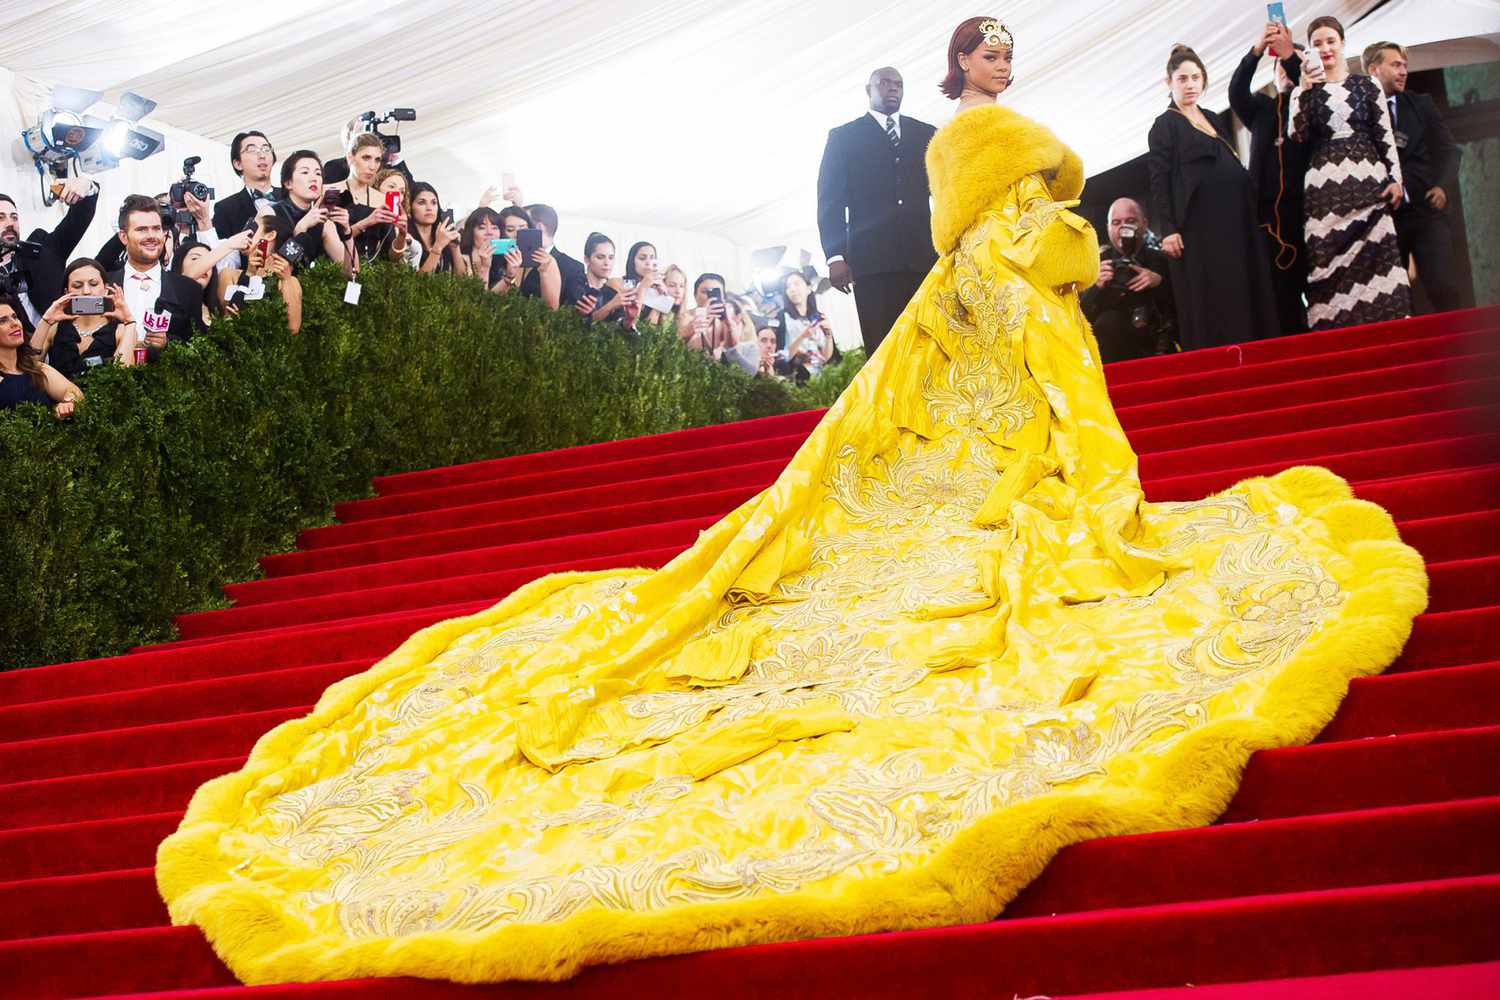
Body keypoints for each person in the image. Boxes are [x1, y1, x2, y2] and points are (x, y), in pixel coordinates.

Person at [157, 16, 1425, 990]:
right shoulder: (953, 151)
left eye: (1004, 44)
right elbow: (969, 226)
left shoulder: (1019, 152)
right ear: (950, 66)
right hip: (975, 296)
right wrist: (1027, 242)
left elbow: (1042, 238)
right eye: (983, 45)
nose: (1001, 54)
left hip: (1004, 307)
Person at [1148, 44, 1279, 350]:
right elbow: (1159, 179)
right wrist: (1168, 229)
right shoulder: (1165, 124)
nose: (1190, 84)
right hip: (1200, 229)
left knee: (1243, 288)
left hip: (1235, 223)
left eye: (1196, 77)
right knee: (1215, 295)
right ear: (1169, 83)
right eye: (1182, 79)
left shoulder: (1210, 116)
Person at [1291, 17, 1411, 330]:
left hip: (1370, 187)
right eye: (1317, 43)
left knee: (1380, 268)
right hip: (1324, 195)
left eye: (1330, 40)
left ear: (1342, 43)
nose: (1325, 48)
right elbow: (1297, 135)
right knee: (1325, 264)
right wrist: (1303, 88)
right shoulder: (1302, 92)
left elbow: (1384, 134)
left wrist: (1396, 180)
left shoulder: (1367, 85)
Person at [817, 66, 938, 355]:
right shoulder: (844, 137)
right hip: (871, 263)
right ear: (868, 90)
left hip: (922, 260)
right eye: (884, 83)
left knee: (926, 346)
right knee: (882, 347)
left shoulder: (927, 134)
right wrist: (835, 256)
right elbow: (830, 200)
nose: (893, 88)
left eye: (898, 84)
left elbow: (945, 193)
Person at [1364, 41, 1464, 313]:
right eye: (1395, 64)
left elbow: (1450, 151)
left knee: (1443, 286)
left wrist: (1442, 187)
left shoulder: (1421, 104)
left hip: (1426, 212)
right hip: (1385, 219)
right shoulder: (1360, 113)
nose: (1403, 71)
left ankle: (1460, 348)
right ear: (1374, 69)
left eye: (1405, 66)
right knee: (1392, 299)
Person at [1228, 22, 1309, 335]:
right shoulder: (1262, 109)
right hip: (1267, 221)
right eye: (1283, 67)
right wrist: (1258, 51)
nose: (1288, 73)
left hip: (1306, 214)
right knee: (1279, 297)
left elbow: (1305, 83)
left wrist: (1292, 57)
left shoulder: (1315, 108)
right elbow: (1236, 92)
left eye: (1293, 66)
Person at [108, 195, 205, 363]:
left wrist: (168, 343)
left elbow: (199, 347)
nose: (151, 236)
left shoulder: (188, 289)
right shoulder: (105, 285)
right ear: (124, 237)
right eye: (142, 229)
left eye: (156, 228)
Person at [1081, 198, 1175, 362]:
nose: (1123, 228)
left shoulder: (1161, 260)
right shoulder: (1094, 264)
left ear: (1144, 224)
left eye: (1130, 221)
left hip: (1154, 342)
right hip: (1112, 348)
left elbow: (1180, 308)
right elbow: (1079, 317)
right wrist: (1095, 287)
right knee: (1107, 322)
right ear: (1108, 228)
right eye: (1116, 223)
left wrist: (1158, 283)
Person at [0, 177, 98, 330]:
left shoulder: (41, 250)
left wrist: (87, 187)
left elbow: (78, 220)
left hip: (63, 346)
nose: (10, 223)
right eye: (1, 218)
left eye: (14, 217)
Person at [28, 259, 137, 378]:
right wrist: (45, 321)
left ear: (106, 289)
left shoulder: (121, 330)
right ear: (66, 292)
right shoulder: (54, 328)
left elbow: (123, 374)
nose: (86, 291)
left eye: (93, 284)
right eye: (77, 286)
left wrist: (130, 321)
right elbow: (29, 366)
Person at [1, 294, 81, 415]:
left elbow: (74, 392)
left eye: (15, 317)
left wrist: (67, 404)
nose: (14, 323)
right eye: (2, 321)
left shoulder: (35, 368)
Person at [272, 151, 350, 272]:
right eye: (305, 172)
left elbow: (350, 273)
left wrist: (347, 232)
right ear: (288, 183)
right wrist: (301, 228)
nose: (314, 178)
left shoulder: (324, 223)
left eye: (318, 174)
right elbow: (275, 272)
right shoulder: (271, 213)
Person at [213, 131, 280, 239]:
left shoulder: (292, 196)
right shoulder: (225, 209)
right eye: (252, 150)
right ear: (238, 164)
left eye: (266, 149)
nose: (262, 155)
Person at [522, 204, 588, 306]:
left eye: (523, 226)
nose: (518, 232)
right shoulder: (516, 260)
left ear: (538, 227)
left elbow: (572, 312)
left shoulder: (572, 268)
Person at [777, 271, 835, 379]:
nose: (792, 289)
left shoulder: (818, 317)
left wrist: (828, 334)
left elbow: (825, 357)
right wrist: (803, 336)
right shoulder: (782, 317)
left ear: (808, 289)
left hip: (821, 378)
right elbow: (782, 356)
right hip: (797, 377)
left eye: (796, 284)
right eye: (788, 287)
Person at [407, 183, 465, 275]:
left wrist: (455, 248)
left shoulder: (443, 237)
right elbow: (417, 284)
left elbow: (464, 281)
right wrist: (438, 247)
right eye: (422, 202)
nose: (429, 208)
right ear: (409, 207)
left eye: (434, 203)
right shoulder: (407, 240)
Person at [572, 232, 615, 319]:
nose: (607, 263)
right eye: (600, 257)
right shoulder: (574, 286)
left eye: (611, 257)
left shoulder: (613, 293)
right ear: (587, 259)